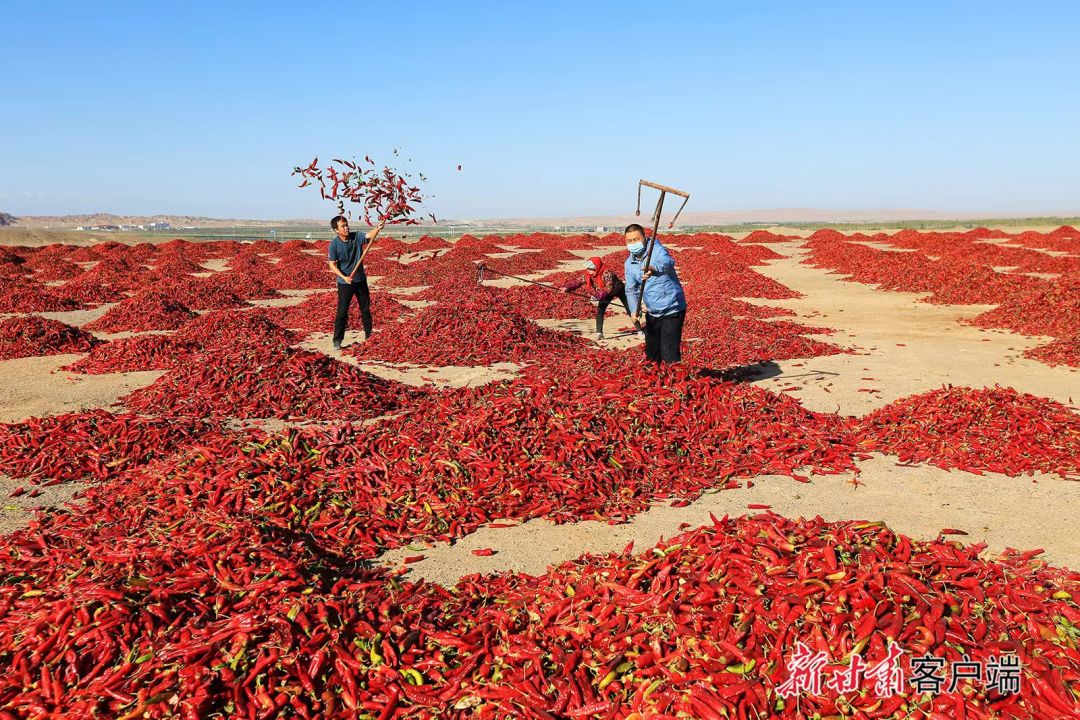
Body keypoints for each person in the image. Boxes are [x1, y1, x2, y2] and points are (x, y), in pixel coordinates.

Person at [623, 223, 687, 363]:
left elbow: (668, 261)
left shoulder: (656, 250)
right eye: (630, 241)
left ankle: (673, 376)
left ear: (644, 238)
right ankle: (657, 374)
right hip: (653, 311)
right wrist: (634, 310)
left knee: (669, 353)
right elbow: (631, 289)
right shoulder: (629, 264)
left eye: (636, 239)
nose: (633, 243)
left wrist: (653, 268)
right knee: (652, 353)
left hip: (672, 308)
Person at [327, 215, 385, 350]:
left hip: (360, 280)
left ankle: (369, 335)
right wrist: (344, 277)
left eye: (347, 224)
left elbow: (369, 235)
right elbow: (332, 265)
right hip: (345, 283)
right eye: (343, 226)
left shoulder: (356, 236)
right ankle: (337, 339)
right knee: (342, 311)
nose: (346, 227)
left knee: (365, 309)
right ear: (336, 230)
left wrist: (378, 228)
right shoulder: (334, 245)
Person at [562, 257, 631, 339]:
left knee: (629, 308)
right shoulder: (588, 274)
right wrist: (568, 288)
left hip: (618, 289)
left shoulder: (607, 273)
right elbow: (578, 281)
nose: (589, 271)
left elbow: (608, 289)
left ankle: (639, 330)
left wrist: (597, 296)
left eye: (591, 269)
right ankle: (599, 333)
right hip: (604, 292)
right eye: (588, 269)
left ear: (597, 267)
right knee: (600, 310)